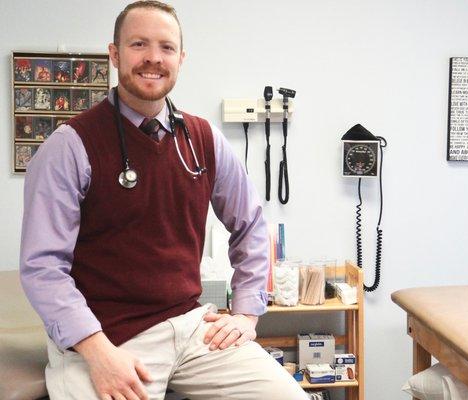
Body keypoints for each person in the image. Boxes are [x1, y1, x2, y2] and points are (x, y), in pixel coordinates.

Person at [19, 2, 308, 400]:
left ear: (180, 59)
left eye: (166, 47)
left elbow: (250, 224)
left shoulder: (203, 139)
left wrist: (246, 313)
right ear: (115, 54)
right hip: (103, 337)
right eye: (139, 44)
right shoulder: (71, 146)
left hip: (190, 329)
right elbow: (43, 268)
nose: (153, 58)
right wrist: (97, 351)